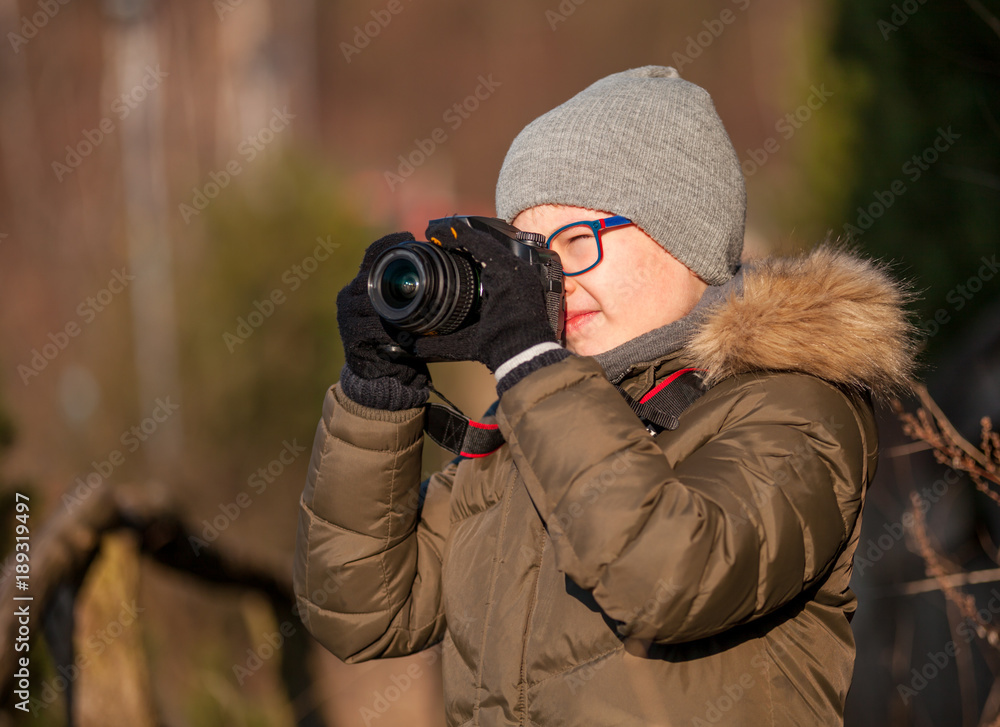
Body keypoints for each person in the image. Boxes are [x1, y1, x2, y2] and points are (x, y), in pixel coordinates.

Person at [293, 66, 917, 725]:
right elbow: (360, 609)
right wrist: (378, 394)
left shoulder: (797, 408)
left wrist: (531, 362)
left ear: (687, 235)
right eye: (535, 257)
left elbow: (669, 575)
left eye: (578, 242)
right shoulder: (532, 425)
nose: (554, 283)